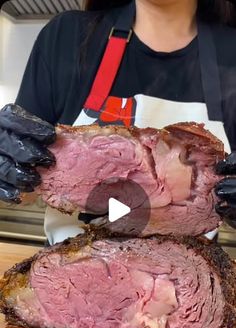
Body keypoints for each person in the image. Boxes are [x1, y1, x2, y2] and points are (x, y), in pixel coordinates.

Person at [0, 0, 236, 244]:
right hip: (76, 268)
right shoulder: (67, 36)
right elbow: (26, 186)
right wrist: (8, 168)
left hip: (178, 274)